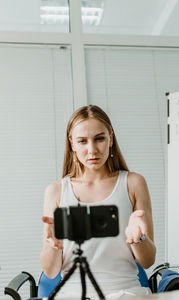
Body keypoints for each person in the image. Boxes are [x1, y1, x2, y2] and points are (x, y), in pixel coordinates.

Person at [40, 105, 156, 299]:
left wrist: (138, 239)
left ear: (111, 137)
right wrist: (54, 245)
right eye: (82, 141)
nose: (92, 150)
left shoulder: (134, 183)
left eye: (99, 138)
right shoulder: (56, 191)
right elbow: (51, 272)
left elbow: (148, 261)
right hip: (72, 294)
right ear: (72, 144)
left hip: (125, 293)